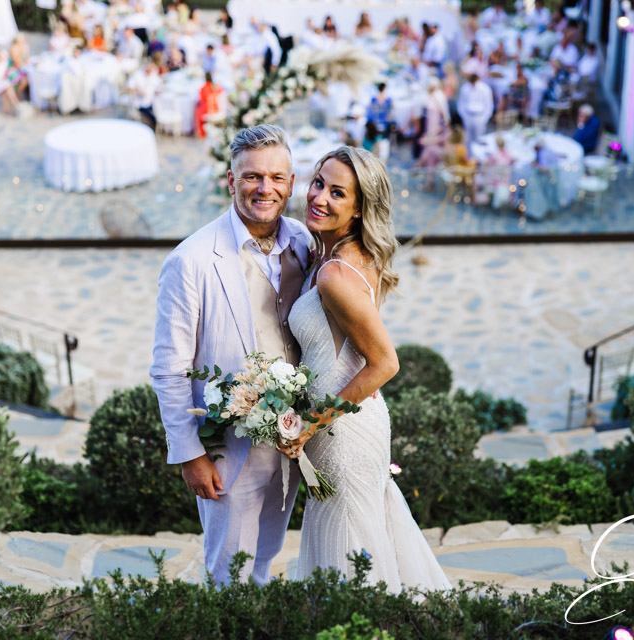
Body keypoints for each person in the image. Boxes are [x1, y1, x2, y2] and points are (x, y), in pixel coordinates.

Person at [279, 146, 451, 592]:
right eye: (319, 183)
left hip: (341, 432)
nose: (320, 198)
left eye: (338, 193)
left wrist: (310, 426)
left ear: (358, 210)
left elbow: (385, 363)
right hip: (352, 420)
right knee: (361, 536)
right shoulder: (347, 255)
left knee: (350, 549)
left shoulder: (335, 273)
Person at [150, 124, 311, 586]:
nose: (266, 188)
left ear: (291, 184)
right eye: (252, 176)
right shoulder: (192, 259)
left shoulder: (303, 241)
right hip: (227, 449)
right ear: (231, 180)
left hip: (292, 440)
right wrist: (187, 453)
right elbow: (169, 368)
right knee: (228, 572)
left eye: (277, 178)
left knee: (266, 556)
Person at [416, 79, 450, 191]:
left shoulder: (439, 97)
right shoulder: (431, 96)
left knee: (430, 150)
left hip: (434, 126)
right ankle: (424, 174)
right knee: (429, 149)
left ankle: (420, 169)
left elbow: (444, 113)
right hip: (431, 125)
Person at [457, 74, 493, 148]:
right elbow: (461, 103)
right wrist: (464, 116)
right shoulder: (465, 88)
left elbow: (489, 105)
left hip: (479, 116)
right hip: (468, 116)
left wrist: (484, 118)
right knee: (467, 140)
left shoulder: (485, 89)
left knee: (479, 139)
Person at [128, 61, 161, 129]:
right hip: (140, 104)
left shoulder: (154, 76)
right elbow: (128, 88)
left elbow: (158, 88)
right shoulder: (137, 75)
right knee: (152, 118)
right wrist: (138, 91)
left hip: (152, 102)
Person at [195, 72, 224, 138]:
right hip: (216, 109)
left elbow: (201, 98)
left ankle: (202, 134)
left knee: (197, 112)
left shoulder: (203, 88)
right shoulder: (216, 86)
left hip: (207, 110)